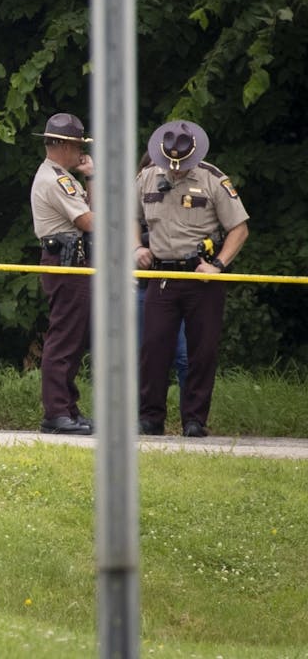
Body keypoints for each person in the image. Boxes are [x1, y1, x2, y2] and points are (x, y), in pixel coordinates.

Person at [136, 120, 248, 438]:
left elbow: (239, 228)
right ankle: (150, 418)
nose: (176, 171)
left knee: (202, 351)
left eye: (182, 165)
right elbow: (128, 217)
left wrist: (220, 265)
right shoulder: (146, 177)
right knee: (153, 348)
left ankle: (194, 420)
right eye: (171, 165)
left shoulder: (213, 179)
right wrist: (135, 247)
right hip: (162, 274)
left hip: (202, 278)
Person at [29, 112, 95, 436]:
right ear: (65, 145)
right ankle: (56, 413)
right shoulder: (54, 179)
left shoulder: (62, 177)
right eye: (78, 145)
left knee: (75, 336)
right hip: (65, 260)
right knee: (64, 338)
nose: (80, 152)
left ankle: (68, 407)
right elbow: (89, 222)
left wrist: (90, 178)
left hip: (74, 261)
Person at [136, 153, 188, 392]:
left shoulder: (177, 199)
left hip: (174, 285)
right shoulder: (135, 202)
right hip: (140, 289)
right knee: (144, 355)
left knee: (183, 355)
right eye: (150, 169)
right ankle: (142, 416)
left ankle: (193, 418)